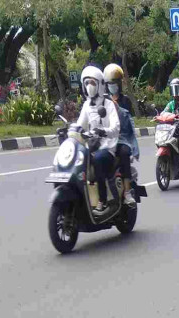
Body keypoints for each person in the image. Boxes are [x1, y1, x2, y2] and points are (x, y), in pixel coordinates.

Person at [76, 65, 120, 213]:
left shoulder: (108, 105)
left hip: (107, 148)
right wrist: (71, 130)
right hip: (92, 147)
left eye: (93, 83)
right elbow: (79, 125)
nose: (90, 86)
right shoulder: (86, 105)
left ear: (100, 85)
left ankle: (103, 200)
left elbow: (116, 128)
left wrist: (103, 131)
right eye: (87, 83)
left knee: (98, 160)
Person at [104, 63, 138, 207]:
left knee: (124, 153)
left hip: (121, 137)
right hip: (104, 137)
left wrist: (117, 107)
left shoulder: (125, 101)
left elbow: (127, 121)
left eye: (115, 83)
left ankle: (127, 192)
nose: (112, 86)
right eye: (110, 83)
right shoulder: (102, 100)